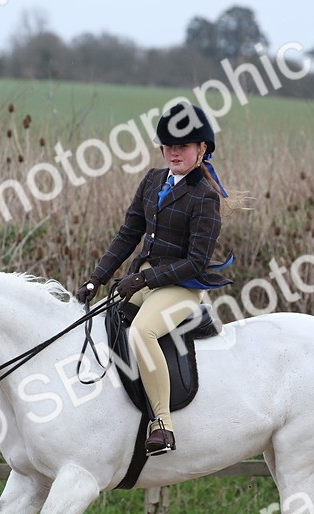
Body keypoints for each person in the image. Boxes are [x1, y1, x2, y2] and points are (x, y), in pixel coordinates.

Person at [76, 102, 232, 456]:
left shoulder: (204, 197)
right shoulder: (152, 180)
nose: (175, 152)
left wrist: (146, 279)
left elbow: (196, 262)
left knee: (143, 332)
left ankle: (162, 424)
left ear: (202, 149)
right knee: (96, 321)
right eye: (169, 146)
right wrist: (96, 278)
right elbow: (128, 234)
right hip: (143, 282)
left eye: (184, 146)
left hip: (181, 288)